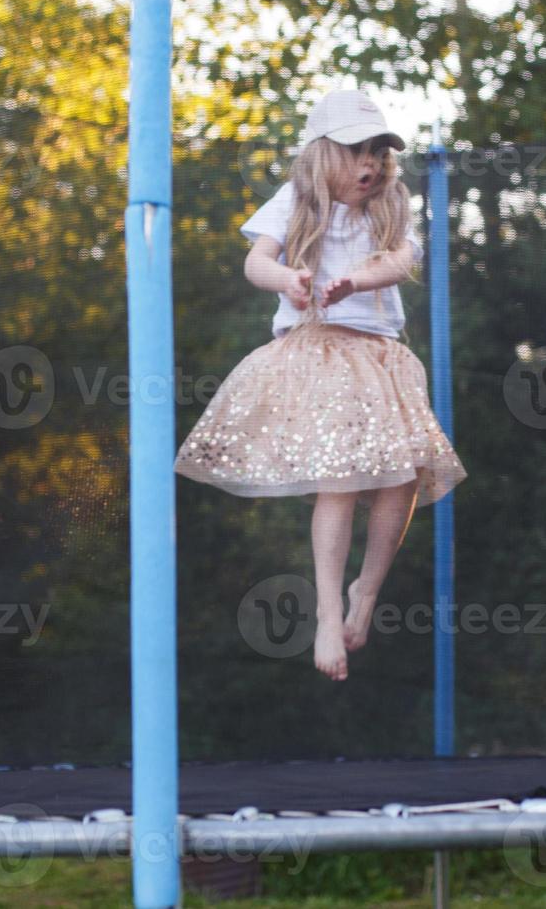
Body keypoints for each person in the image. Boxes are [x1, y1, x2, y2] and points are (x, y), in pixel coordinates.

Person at [175, 89, 467, 681]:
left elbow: (400, 262)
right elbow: (256, 261)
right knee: (340, 478)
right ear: (321, 155)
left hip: (381, 359)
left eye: (379, 155)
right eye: (356, 152)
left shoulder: (389, 207)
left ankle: (367, 590)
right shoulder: (295, 202)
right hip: (318, 356)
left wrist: (355, 282)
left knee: (403, 476)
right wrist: (288, 279)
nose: (370, 166)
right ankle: (328, 610)